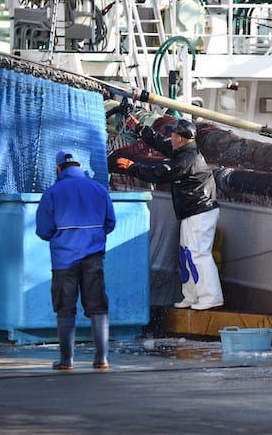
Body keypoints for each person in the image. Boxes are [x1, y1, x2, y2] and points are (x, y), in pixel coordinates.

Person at [117, 117, 224, 311]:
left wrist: (132, 168)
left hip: (200, 212)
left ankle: (211, 296)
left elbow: (159, 174)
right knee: (186, 254)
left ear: (181, 138)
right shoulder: (182, 151)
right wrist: (139, 128)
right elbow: (159, 142)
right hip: (192, 211)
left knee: (198, 254)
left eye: (173, 133)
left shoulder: (187, 160)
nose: (171, 136)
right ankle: (191, 295)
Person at [35, 151, 117, 370]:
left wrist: (64, 239)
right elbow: (110, 223)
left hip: (64, 260)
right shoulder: (99, 189)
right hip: (93, 257)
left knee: (65, 308)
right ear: (79, 166)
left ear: (58, 169)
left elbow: (43, 230)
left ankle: (66, 360)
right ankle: (101, 359)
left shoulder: (52, 193)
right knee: (98, 306)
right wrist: (93, 239)